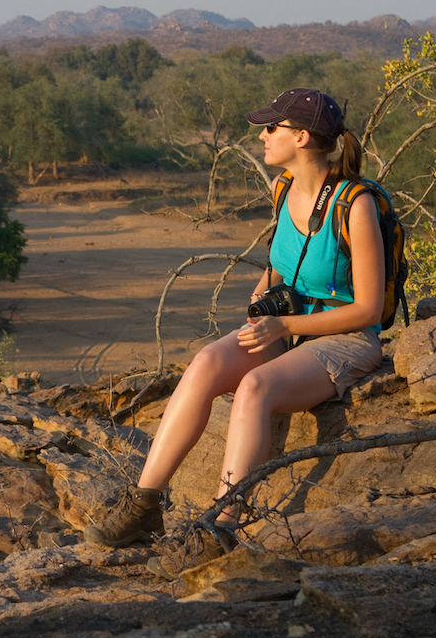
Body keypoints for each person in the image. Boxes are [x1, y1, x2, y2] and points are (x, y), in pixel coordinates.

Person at [83, 88, 385, 568]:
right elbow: (288, 263)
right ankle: (144, 504)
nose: (263, 136)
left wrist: (282, 322)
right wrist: (264, 290)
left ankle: (222, 528)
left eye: (272, 128)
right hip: (287, 325)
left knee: (255, 388)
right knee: (205, 362)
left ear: (301, 136)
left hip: (344, 337)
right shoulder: (283, 187)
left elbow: (368, 309)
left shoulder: (356, 204)